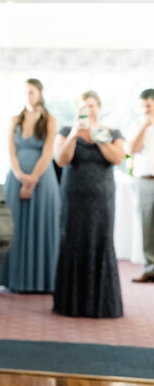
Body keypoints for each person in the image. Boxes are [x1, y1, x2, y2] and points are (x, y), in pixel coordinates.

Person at [53, 90, 125, 318]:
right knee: (72, 242)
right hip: (74, 199)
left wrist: (97, 136)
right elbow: (61, 159)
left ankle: (102, 304)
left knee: (100, 243)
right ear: (78, 110)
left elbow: (117, 158)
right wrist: (75, 134)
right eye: (84, 106)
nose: (89, 110)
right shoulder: (66, 131)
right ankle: (71, 304)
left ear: (99, 108)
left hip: (102, 200)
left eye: (92, 105)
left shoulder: (112, 132)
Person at [0, 78, 61, 293]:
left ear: (40, 93)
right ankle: (11, 278)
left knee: (41, 225)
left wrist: (32, 179)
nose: (27, 96)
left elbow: (48, 153)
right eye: (24, 93)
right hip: (15, 178)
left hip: (43, 179)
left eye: (31, 92)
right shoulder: (15, 120)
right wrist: (21, 176)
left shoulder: (49, 120)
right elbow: (11, 152)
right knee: (13, 227)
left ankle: (42, 280)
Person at [129, 88, 154, 283]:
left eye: (149, 105)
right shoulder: (136, 124)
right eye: (143, 106)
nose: (146, 109)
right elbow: (132, 150)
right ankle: (150, 268)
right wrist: (145, 126)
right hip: (145, 181)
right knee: (147, 227)